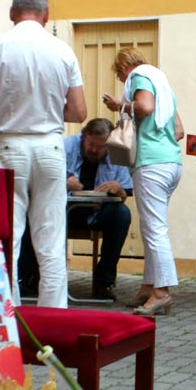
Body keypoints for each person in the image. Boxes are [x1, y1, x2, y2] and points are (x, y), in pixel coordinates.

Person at [0, 0, 87, 309]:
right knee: (50, 238)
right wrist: (45, 111)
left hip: (9, 146)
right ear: (46, 16)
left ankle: (9, 313)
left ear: (12, 13)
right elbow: (79, 112)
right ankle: (53, 315)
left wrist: (9, 109)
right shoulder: (63, 50)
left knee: (9, 235)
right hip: (50, 146)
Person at [103, 48, 184, 316]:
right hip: (171, 162)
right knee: (152, 226)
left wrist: (120, 105)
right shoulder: (163, 85)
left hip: (151, 163)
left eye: (119, 74)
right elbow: (179, 130)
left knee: (155, 229)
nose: (121, 80)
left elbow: (145, 107)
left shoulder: (138, 77)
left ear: (124, 68)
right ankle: (149, 286)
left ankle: (161, 293)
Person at [20, 119, 133, 300]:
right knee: (30, 213)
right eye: (91, 144)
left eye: (100, 147)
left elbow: (125, 194)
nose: (94, 150)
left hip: (96, 212)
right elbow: (37, 182)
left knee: (122, 214)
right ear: (84, 137)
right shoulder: (63, 147)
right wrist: (62, 182)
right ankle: (28, 278)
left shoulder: (116, 152)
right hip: (61, 210)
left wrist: (118, 189)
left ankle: (104, 282)